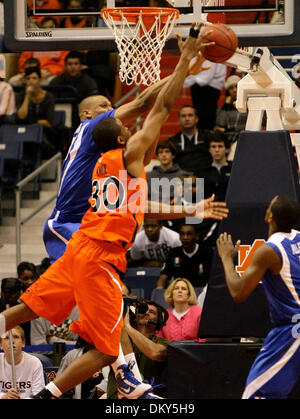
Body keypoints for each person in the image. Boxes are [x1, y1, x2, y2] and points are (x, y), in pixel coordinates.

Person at [0, 24, 218, 400]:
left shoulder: (103, 161)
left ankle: (129, 378)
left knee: (28, 308)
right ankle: (121, 380)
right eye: (106, 109)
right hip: (84, 240)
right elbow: (158, 106)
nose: (114, 112)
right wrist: (184, 59)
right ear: (101, 124)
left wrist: (186, 64)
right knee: (108, 325)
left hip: (82, 236)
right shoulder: (110, 144)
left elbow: (153, 111)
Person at [216, 194, 300, 399]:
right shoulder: (297, 237)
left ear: (269, 216)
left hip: (293, 329)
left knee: (255, 395)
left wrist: (227, 258)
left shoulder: (269, 251)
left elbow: (238, 292)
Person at [106, 298, 170, 399]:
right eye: (143, 310)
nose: (146, 312)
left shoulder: (163, 342)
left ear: (159, 320)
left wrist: (127, 326)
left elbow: (156, 353)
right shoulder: (120, 336)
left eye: (152, 312)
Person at [48, 51, 99, 128]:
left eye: (76, 64)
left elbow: (93, 102)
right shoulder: (56, 81)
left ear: (81, 66)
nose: (73, 67)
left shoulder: (89, 82)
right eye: (70, 64)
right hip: (60, 117)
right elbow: (50, 102)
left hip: (82, 115)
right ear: (65, 66)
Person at [15, 66, 57, 159]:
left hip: (44, 132)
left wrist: (32, 122)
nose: (31, 81)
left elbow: (48, 122)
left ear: (40, 80)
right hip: (25, 132)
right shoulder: (21, 96)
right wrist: (27, 96)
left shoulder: (49, 97)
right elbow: (21, 116)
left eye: (34, 78)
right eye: (28, 78)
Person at [156, 223, 213, 290]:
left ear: (196, 236)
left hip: (201, 292)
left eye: (189, 234)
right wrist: (159, 289)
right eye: (182, 234)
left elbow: (214, 278)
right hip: (180, 292)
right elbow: (163, 276)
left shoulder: (208, 252)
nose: (185, 237)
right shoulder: (174, 253)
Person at [0, 325, 45, 399]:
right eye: (7, 338)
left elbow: (39, 394)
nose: (12, 341)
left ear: (23, 343)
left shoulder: (34, 362)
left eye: (16, 337)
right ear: (1, 345)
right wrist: (3, 396)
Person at [167, 105, 212, 174]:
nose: (187, 119)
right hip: (180, 178)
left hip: (204, 177)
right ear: (179, 120)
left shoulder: (207, 137)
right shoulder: (173, 140)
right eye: (183, 116)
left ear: (196, 119)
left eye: (190, 115)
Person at [183, 59, 227, 130]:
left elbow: (204, 78)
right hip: (203, 87)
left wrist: (191, 79)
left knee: (206, 120)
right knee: (201, 120)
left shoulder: (210, 53)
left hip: (208, 89)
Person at [156, 277, 204, 342]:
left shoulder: (199, 312)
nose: (180, 291)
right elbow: (159, 342)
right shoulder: (163, 315)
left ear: (189, 294)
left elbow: (204, 340)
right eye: (176, 288)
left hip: (195, 351)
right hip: (170, 351)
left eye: (183, 289)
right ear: (171, 293)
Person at [214, 74, 248, 150]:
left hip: (244, 139)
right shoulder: (224, 109)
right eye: (231, 88)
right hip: (228, 142)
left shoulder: (248, 105)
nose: (234, 90)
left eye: (236, 86)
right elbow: (219, 128)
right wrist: (226, 105)